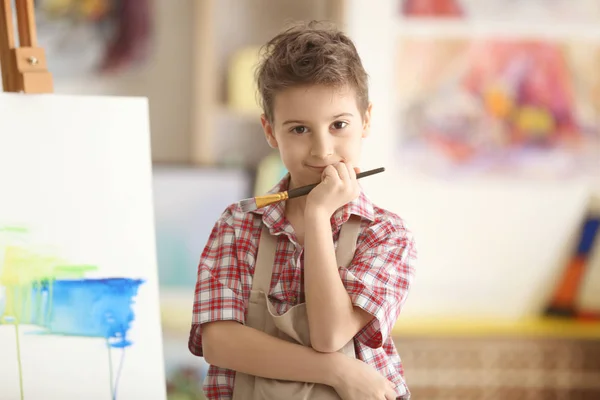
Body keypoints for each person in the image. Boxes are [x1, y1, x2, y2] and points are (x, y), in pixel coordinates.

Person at [188, 20, 417, 400]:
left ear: (366, 121)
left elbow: (330, 333)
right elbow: (220, 342)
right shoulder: (238, 224)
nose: (322, 150)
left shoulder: (387, 235)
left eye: (339, 125)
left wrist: (316, 217)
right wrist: (337, 371)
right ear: (269, 130)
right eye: (299, 129)